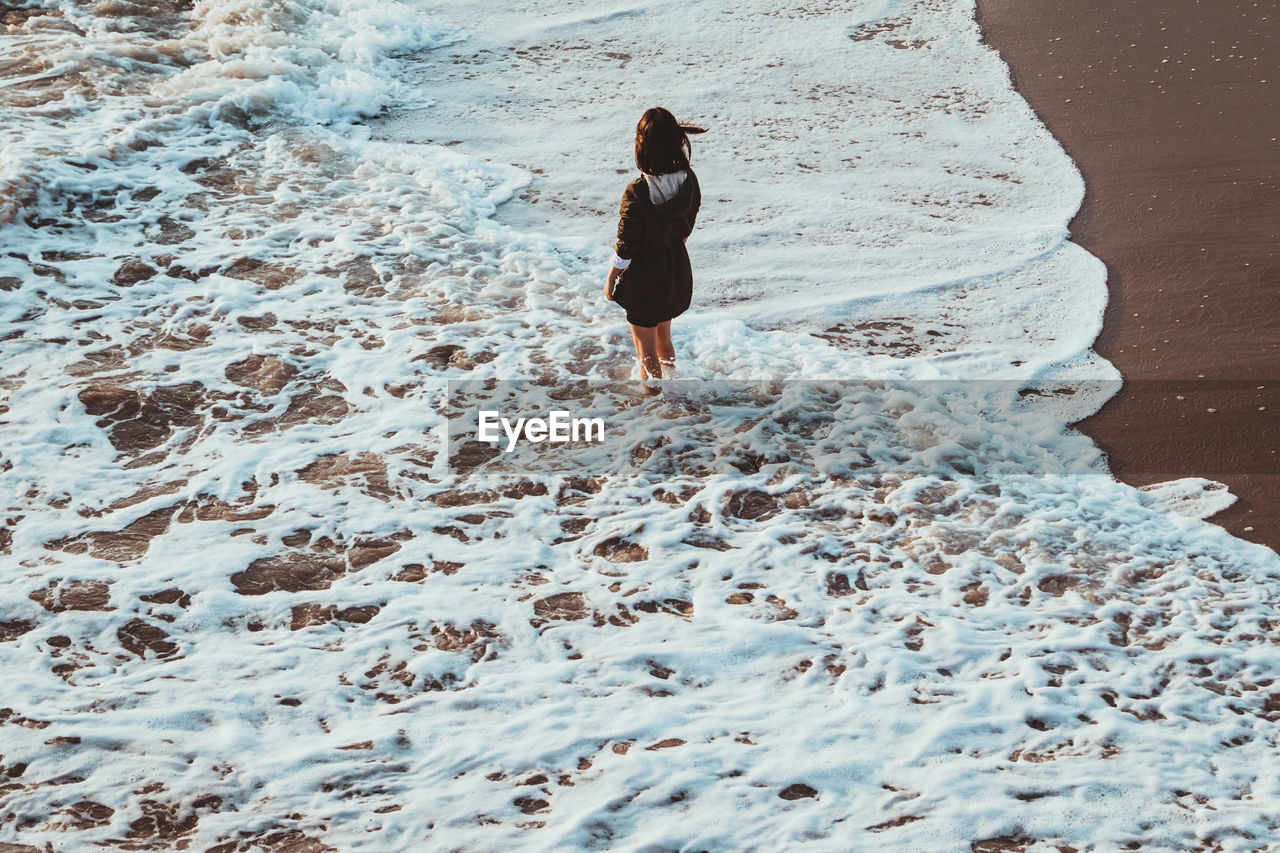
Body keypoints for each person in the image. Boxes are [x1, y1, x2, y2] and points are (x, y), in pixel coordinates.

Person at [604, 107, 703, 379]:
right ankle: (673, 383)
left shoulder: (637, 192)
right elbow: (686, 227)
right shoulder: (689, 181)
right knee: (663, 339)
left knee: (645, 351)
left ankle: (657, 404)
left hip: (645, 282)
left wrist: (612, 276)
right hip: (675, 273)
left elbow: (627, 243)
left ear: (642, 146)